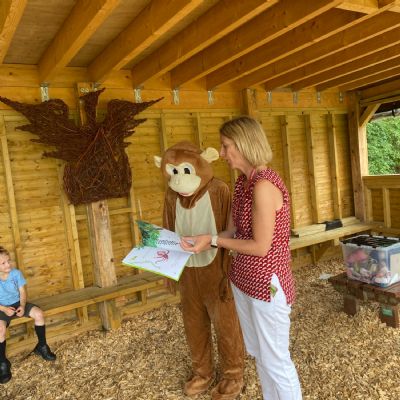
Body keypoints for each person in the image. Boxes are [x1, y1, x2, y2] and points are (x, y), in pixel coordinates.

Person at [180, 116, 302, 400]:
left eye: (226, 146)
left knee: (276, 360)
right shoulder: (243, 183)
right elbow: (234, 232)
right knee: (259, 354)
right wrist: (202, 239)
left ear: (245, 144)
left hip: (267, 285)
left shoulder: (263, 186)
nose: (222, 153)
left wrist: (212, 241)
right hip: (244, 282)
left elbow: (260, 246)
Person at [0, 246, 56, 384]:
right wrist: (4, 309)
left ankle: (42, 347)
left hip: (18, 303)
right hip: (2, 308)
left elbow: (23, 292)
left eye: (9, 261)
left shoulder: (16, 274)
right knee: (0, 330)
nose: (8, 264)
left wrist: (22, 306)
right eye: (3, 263)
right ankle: (2, 363)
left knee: (39, 314)